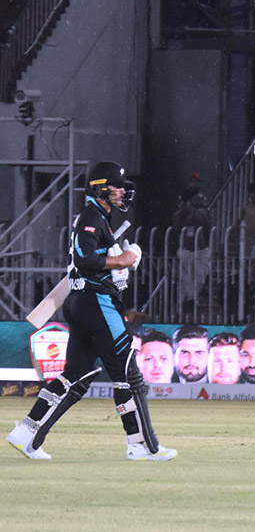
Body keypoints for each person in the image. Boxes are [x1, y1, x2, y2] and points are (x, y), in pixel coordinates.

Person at [6, 161, 176, 461]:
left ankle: (27, 432)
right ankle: (142, 446)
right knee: (128, 375)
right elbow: (86, 259)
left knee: (75, 377)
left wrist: (117, 265)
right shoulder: (91, 217)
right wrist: (122, 260)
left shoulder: (98, 217)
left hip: (84, 302)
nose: (123, 190)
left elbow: (93, 259)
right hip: (97, 303)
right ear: (100, 187)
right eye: (117, 185)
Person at [172, 186, 211, 308]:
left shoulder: (201, 214)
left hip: (200, 250)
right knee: (185, 278)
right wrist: (188, 217)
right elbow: (177, 229)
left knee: (200, 276)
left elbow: (207, 230)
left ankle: (193, 297)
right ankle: (189, 301)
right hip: (186, 250)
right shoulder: (178, 215)